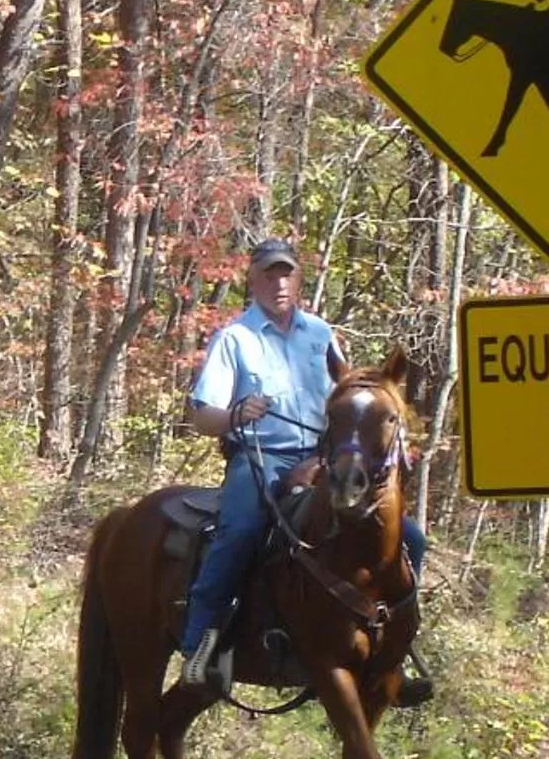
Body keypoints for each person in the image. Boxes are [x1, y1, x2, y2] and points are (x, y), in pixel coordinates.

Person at [173, 237, 426, 695]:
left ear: (299, 280)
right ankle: (199, 644)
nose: (279, 283)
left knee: (409, 537)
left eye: (286, 273)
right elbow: (202, 417)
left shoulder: (320, 335)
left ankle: (396, 650)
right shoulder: (235, 339)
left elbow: (347, 401)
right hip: (259, 458)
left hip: (324, 460)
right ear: (252, 281)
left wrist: (323, 461)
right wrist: (235, 415)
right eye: (269, 274)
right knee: (242, 530)